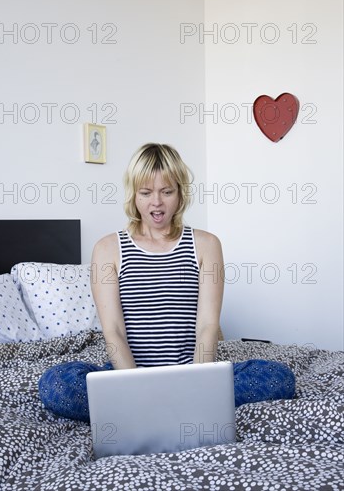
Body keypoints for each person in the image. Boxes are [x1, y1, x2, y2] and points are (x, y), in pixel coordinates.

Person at [39, 143, 295, 422]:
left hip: (192, 373)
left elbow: (208, 325)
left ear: (180, 193)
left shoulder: (206, 245)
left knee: (277, 378)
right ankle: (158, 407)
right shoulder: (108, 249)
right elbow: (113, 331)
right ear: (133, 195)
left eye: (167, 192)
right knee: (56, 384)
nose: (156, 203)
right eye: (146, 193)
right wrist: (137, 388)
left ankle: (154, 410)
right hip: (129, 375)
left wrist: (197, 385)